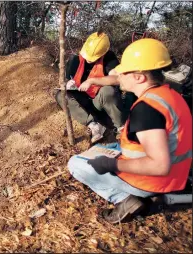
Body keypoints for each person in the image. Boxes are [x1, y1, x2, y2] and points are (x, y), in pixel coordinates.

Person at [68, 38, 192, 223]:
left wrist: (112, 165)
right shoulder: (170, 95)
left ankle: (125, 199)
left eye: (123, 72)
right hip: (179, 173)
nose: (119, 76)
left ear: (139, 77)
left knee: (75, 163)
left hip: (157, 181)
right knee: (109, 147)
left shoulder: (146, 110)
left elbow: (159, 165)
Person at [55, 31, 125, 143]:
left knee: (108, 90)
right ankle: (94, 124)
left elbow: (117, 79)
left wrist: (91, 81)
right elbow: (69, 78)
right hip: (84, 103)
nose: (89, 59)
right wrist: (70, 84)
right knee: (61, 95)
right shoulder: (75, 60)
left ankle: (120, 128)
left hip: (101, 102)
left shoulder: (109, 59)